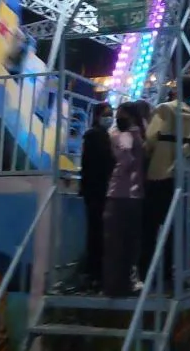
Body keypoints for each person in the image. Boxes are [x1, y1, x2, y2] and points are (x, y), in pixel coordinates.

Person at [140, 74, 190, 282]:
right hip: (181, 177)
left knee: (149, 226)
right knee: (173, 227)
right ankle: (168, 272)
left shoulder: (165, 109)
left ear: (177, 89)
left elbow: (150, 139)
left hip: (158, 173)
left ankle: (145, 272)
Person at [103, 102, 146, 296]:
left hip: (119, 193)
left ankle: (115, 285)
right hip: (135, 195)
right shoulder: (140, 135)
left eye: (121, 115)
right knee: (130, 242)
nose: (117, 119)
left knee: (115, 241)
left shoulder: (124, 136)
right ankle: (128, 282)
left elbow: (125, 161)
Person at [79, 103, 113, 289]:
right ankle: (95, 273)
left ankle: (95, 272)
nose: (110, 118)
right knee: (96, 232)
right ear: (98, 116)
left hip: (96, 190)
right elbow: (99, 163)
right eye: (107, 114)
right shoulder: (95, 136)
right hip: (96, 190)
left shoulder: (100, 135)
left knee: (97, 231)